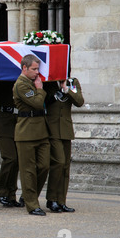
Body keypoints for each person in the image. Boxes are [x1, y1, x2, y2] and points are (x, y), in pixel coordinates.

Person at [13, 54, 50, 216]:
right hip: (26, 132)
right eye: (34, 69)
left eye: (38, 69)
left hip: (41, 131)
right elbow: (36, 103)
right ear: (24, 68)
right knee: (28, 170)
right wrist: (40, 90)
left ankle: (28, 195)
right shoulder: (21, 84)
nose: (37, 72)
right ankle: (32, 204)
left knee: (44, 166)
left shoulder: (32, 82)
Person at [44, 77, 84, 212]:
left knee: (65, 166)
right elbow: (43, 102)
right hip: (52, 128)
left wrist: (67, 90)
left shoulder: (72, 82)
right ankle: (52, 199)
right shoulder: (47, 82)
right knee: (58, 162)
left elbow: (79, 101)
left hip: (66, 129)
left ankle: (61, 200)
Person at [0, 81, 24, 207]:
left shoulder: (21, 80)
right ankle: (2, 192)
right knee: (10, 158)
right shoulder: (2, 79)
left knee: (16, 160)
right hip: (3, 120)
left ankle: (11, 194)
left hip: (17, 120)